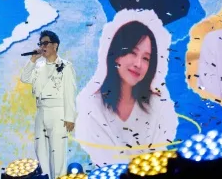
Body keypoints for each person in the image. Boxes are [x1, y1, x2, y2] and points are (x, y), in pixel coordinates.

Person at [75, 10, 178, 165]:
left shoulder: (158, 105)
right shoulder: (93, 107)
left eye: (146, 58)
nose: (138, 64)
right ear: (117, 55)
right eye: (132, 52)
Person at [20, 30, 76, 179]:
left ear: (55, 45)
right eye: (40, 44)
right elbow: (24, 78)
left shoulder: (66, 66)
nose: (42, 47)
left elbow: (70, 93)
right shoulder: (38, 66)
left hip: (58, 112)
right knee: (41, 151)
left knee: (58, 152)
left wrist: (70, 117)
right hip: (41, 111)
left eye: (45, 43)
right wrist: (32, 60)